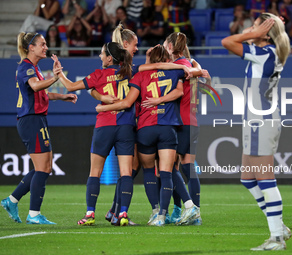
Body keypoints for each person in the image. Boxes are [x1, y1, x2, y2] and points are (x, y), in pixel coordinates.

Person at [221, 13, 292, 250]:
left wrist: (252, 35)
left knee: (265, 179)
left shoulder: (263, 54)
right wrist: (255, 33)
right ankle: (279, 227)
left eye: (254, 27)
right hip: (259, 119)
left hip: (260, 121)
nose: (249, 30)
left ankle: (277, 237)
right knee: (248, 178)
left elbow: (227, 42)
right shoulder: (270, 53)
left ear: (264, 33)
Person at [95, 45, 186, 226]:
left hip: (145, 128)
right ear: (166, 59)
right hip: (168, 127)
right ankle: (162, 214)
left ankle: (150, 210)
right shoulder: (176, 72)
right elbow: (180, 90)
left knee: (147, 171)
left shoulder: (138, 75)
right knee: (167, 173)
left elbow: (128, 102)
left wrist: (103, 105)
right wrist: (190, 68)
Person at [53, 42, 135, 226]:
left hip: (104, 125)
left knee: (95, 172)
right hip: (126, 126)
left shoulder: (99, 74)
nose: (99, 56)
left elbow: (72, 86)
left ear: (109, 58)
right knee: (125, 172)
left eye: (101, 53)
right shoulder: (131, 72)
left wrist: (58, 74)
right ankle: (123, 214)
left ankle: (90, 214)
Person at [1, 32, 77, 225]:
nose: (46, 47)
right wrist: (56, 77)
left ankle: (11, 201)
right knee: (43, 168)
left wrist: (64, 96)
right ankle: (33, 214)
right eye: (42, 44)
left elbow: (42, 93)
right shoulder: (26, 67)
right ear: (30, 47)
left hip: (37, 119)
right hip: (31, 120)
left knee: (45, 167)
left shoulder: (33, 68)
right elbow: (35, 87)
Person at [143, 32, 206, 226]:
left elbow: (187, 78)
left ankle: (187, 209)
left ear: (170, 47)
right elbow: (199, 74)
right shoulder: (189, 64)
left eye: (164, 44)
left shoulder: (182, 65)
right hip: (191, 120)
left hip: (182, 121)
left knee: (169, 168)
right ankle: (187, 211)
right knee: (185, 167)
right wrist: (199, 69)